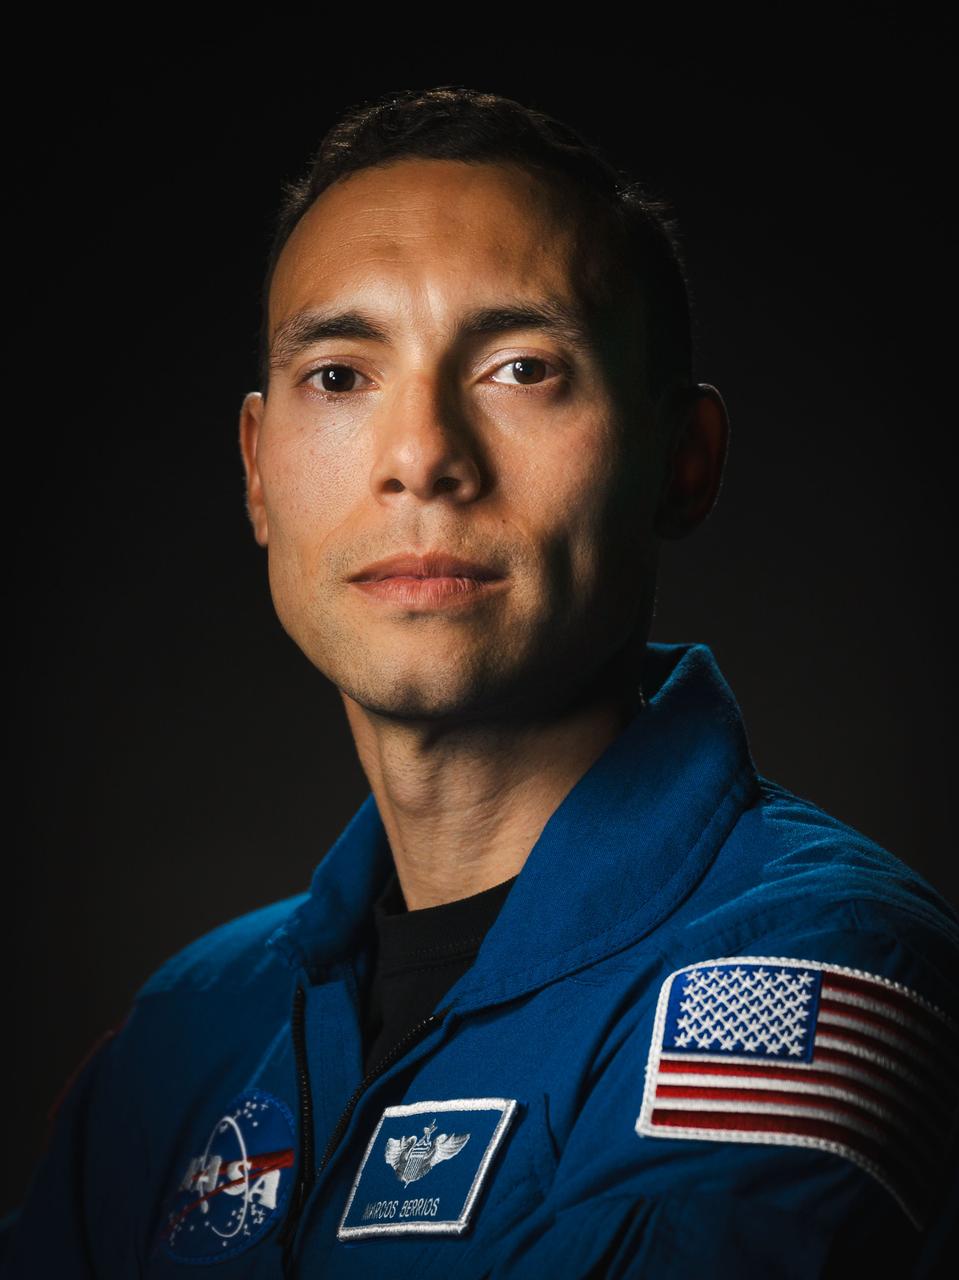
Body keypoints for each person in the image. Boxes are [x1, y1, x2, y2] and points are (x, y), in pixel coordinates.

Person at [2, 84, 957, 1279]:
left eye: (518, 366)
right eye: (341, 376)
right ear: (257, 471)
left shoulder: (810, 969)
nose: (420, 458)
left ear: (682, 464)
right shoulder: (185, 1033)